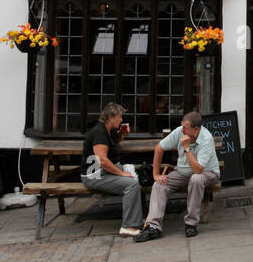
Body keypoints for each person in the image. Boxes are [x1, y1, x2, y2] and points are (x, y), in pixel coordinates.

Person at [134, 110, 220, 241]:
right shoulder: (180, 131)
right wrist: (156, 174)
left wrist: (186, 148)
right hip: (182, 172)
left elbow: (197, 170)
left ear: (196, 129)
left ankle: (191, 224)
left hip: (207, 173)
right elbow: (159, 148)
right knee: (159, 184)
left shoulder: (206, 139)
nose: (182, 131)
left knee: (196, 179)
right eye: (182, 127)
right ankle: (153, 227)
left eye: (185, 128)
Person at [82, 102, 144, 236]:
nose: (121, 120)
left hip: (103, 171)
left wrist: (122, 134)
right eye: (119, 117)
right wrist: (122, 173)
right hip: (95, 176)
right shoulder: (99, 132)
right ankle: (128, 226)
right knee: (131, 184)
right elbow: (102, 160)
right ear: (110, 117)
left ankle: (138, 219)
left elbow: (113, 146)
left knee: (136, 173)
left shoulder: (108, 131)